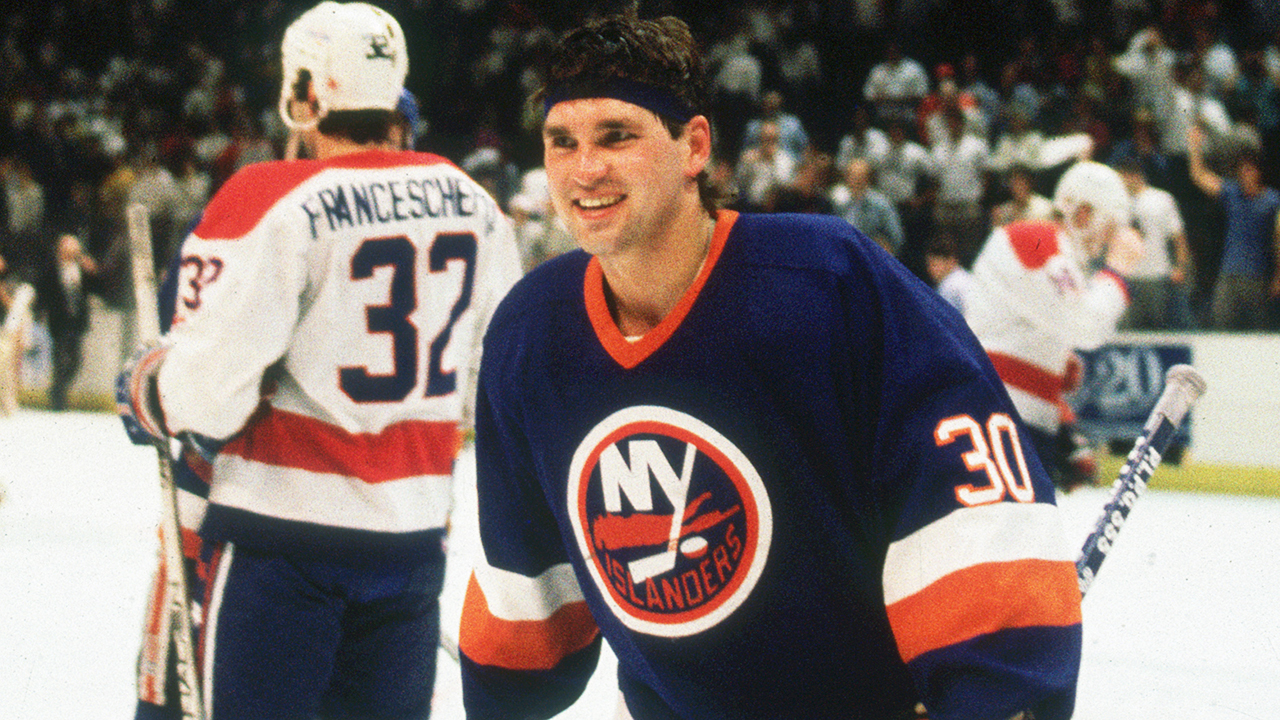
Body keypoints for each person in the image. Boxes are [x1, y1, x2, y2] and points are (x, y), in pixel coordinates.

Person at [459, 13, 1082, 720]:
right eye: (561, 142)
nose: (584, 168)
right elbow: (527, 590)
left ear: (694, 146)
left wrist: (999, 692)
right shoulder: (532, 334)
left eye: (616, 136)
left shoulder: (828, 283)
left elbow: (969, 504)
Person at [116, 3, 522, 719]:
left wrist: (149, 390)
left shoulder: (285, 200)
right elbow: (493, 380)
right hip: (413, 543)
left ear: (306, 92)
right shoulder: (477, 205)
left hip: (284, 548)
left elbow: (213, 396)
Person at [964, 160, 1142, 491]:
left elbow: (1024, 335)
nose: (1107, 241)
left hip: (1011, 419)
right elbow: (1087, 327)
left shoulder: (1056, 254)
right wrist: (1118, 271)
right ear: (1083, 214)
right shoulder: (1036, 240)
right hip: (997, 420)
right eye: (1109, 226)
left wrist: (1063, 427)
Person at [1187, 125, 1280, 331]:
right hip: (1229, 274)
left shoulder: (1272, 200)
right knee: (1221, 324)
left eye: (1250, 170)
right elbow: (1199, 177)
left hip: (1258, 277)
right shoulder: (1231, 192)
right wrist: (1194, 146)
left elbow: (1278, 241)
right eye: (1242, 171)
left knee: (1259, 330)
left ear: (1258, 173)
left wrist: (1277, 277)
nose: (1245, 175)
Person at [1116, 157, 1194, 329]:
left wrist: (1180, 267)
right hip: (1127, 278)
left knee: (1159, 329)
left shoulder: (1162, 198)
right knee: (1127, 332)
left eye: (1122, 176)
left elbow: (1179, 238)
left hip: (1157, 277)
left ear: (1134, 175)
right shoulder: (1117, 202)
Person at [35, 233, 102, 410]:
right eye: (69, 249)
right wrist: (41, 312)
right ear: (61, 250)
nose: (73, 252)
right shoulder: (51, 268)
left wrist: (93, 272)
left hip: (77, 320)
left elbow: (96, 288)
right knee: (58, 358)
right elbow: (42, 291)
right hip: (58, 319)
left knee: (75, 360)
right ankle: (58, 401)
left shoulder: (82, 268)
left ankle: (57, 389)